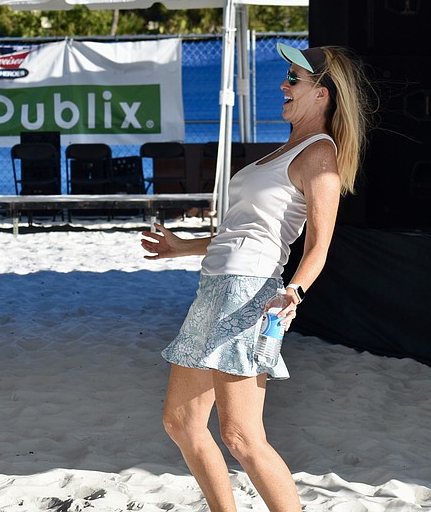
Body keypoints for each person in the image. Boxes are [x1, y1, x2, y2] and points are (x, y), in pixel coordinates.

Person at [141, 42, 371, 511]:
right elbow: (241, 231)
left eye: (294, 80)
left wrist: (294, 291)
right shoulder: (285, 149)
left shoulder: (319, 155)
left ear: (322, 94)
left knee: (242, 435)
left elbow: (318, 245)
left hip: (249, 294)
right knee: (182, 423)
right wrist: (180, 247)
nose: (282, 86)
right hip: (215, 287)